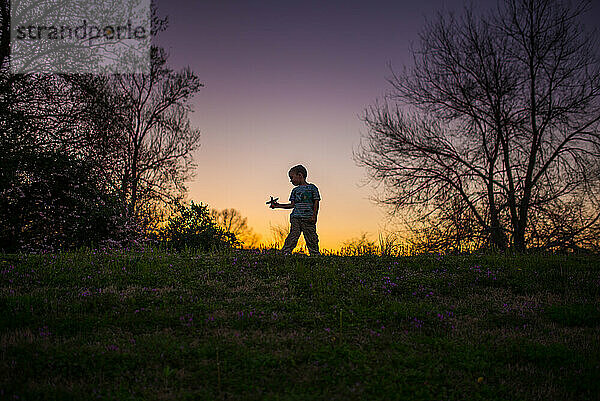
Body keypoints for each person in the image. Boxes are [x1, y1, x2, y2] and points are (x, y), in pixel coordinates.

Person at [269, 165, 321, 256]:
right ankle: (285, 253)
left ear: (300, 175)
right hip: (295, 218)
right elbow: (292, 205)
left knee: (311, 237)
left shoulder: (312, 188)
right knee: (293, 236)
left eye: (292, 177)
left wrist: (314, 216)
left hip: (308, 218)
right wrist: (278, 205)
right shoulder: (294, 191)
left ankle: (315, 255)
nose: (291, 180)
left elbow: (316, 203)